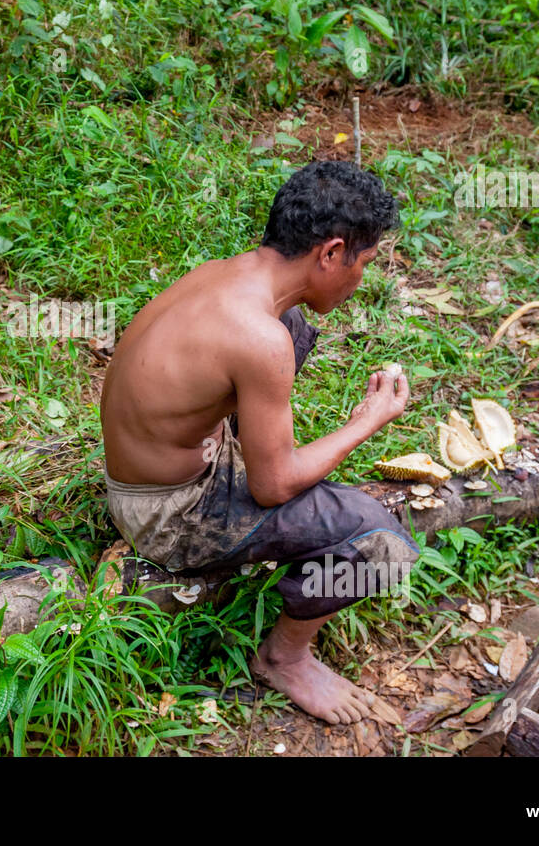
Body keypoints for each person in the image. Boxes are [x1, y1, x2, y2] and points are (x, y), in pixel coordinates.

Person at [99, 160, 418, 725]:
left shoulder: (228, 275)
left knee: (289, 325)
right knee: (382, 546)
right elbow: (272, 489)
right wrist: (366, 421)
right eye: (363, 263)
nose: (361, 279)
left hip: (143, 471)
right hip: (166, 515)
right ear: (331, 252)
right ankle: (285, 657)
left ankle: (255, 446)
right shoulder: (259, 340)